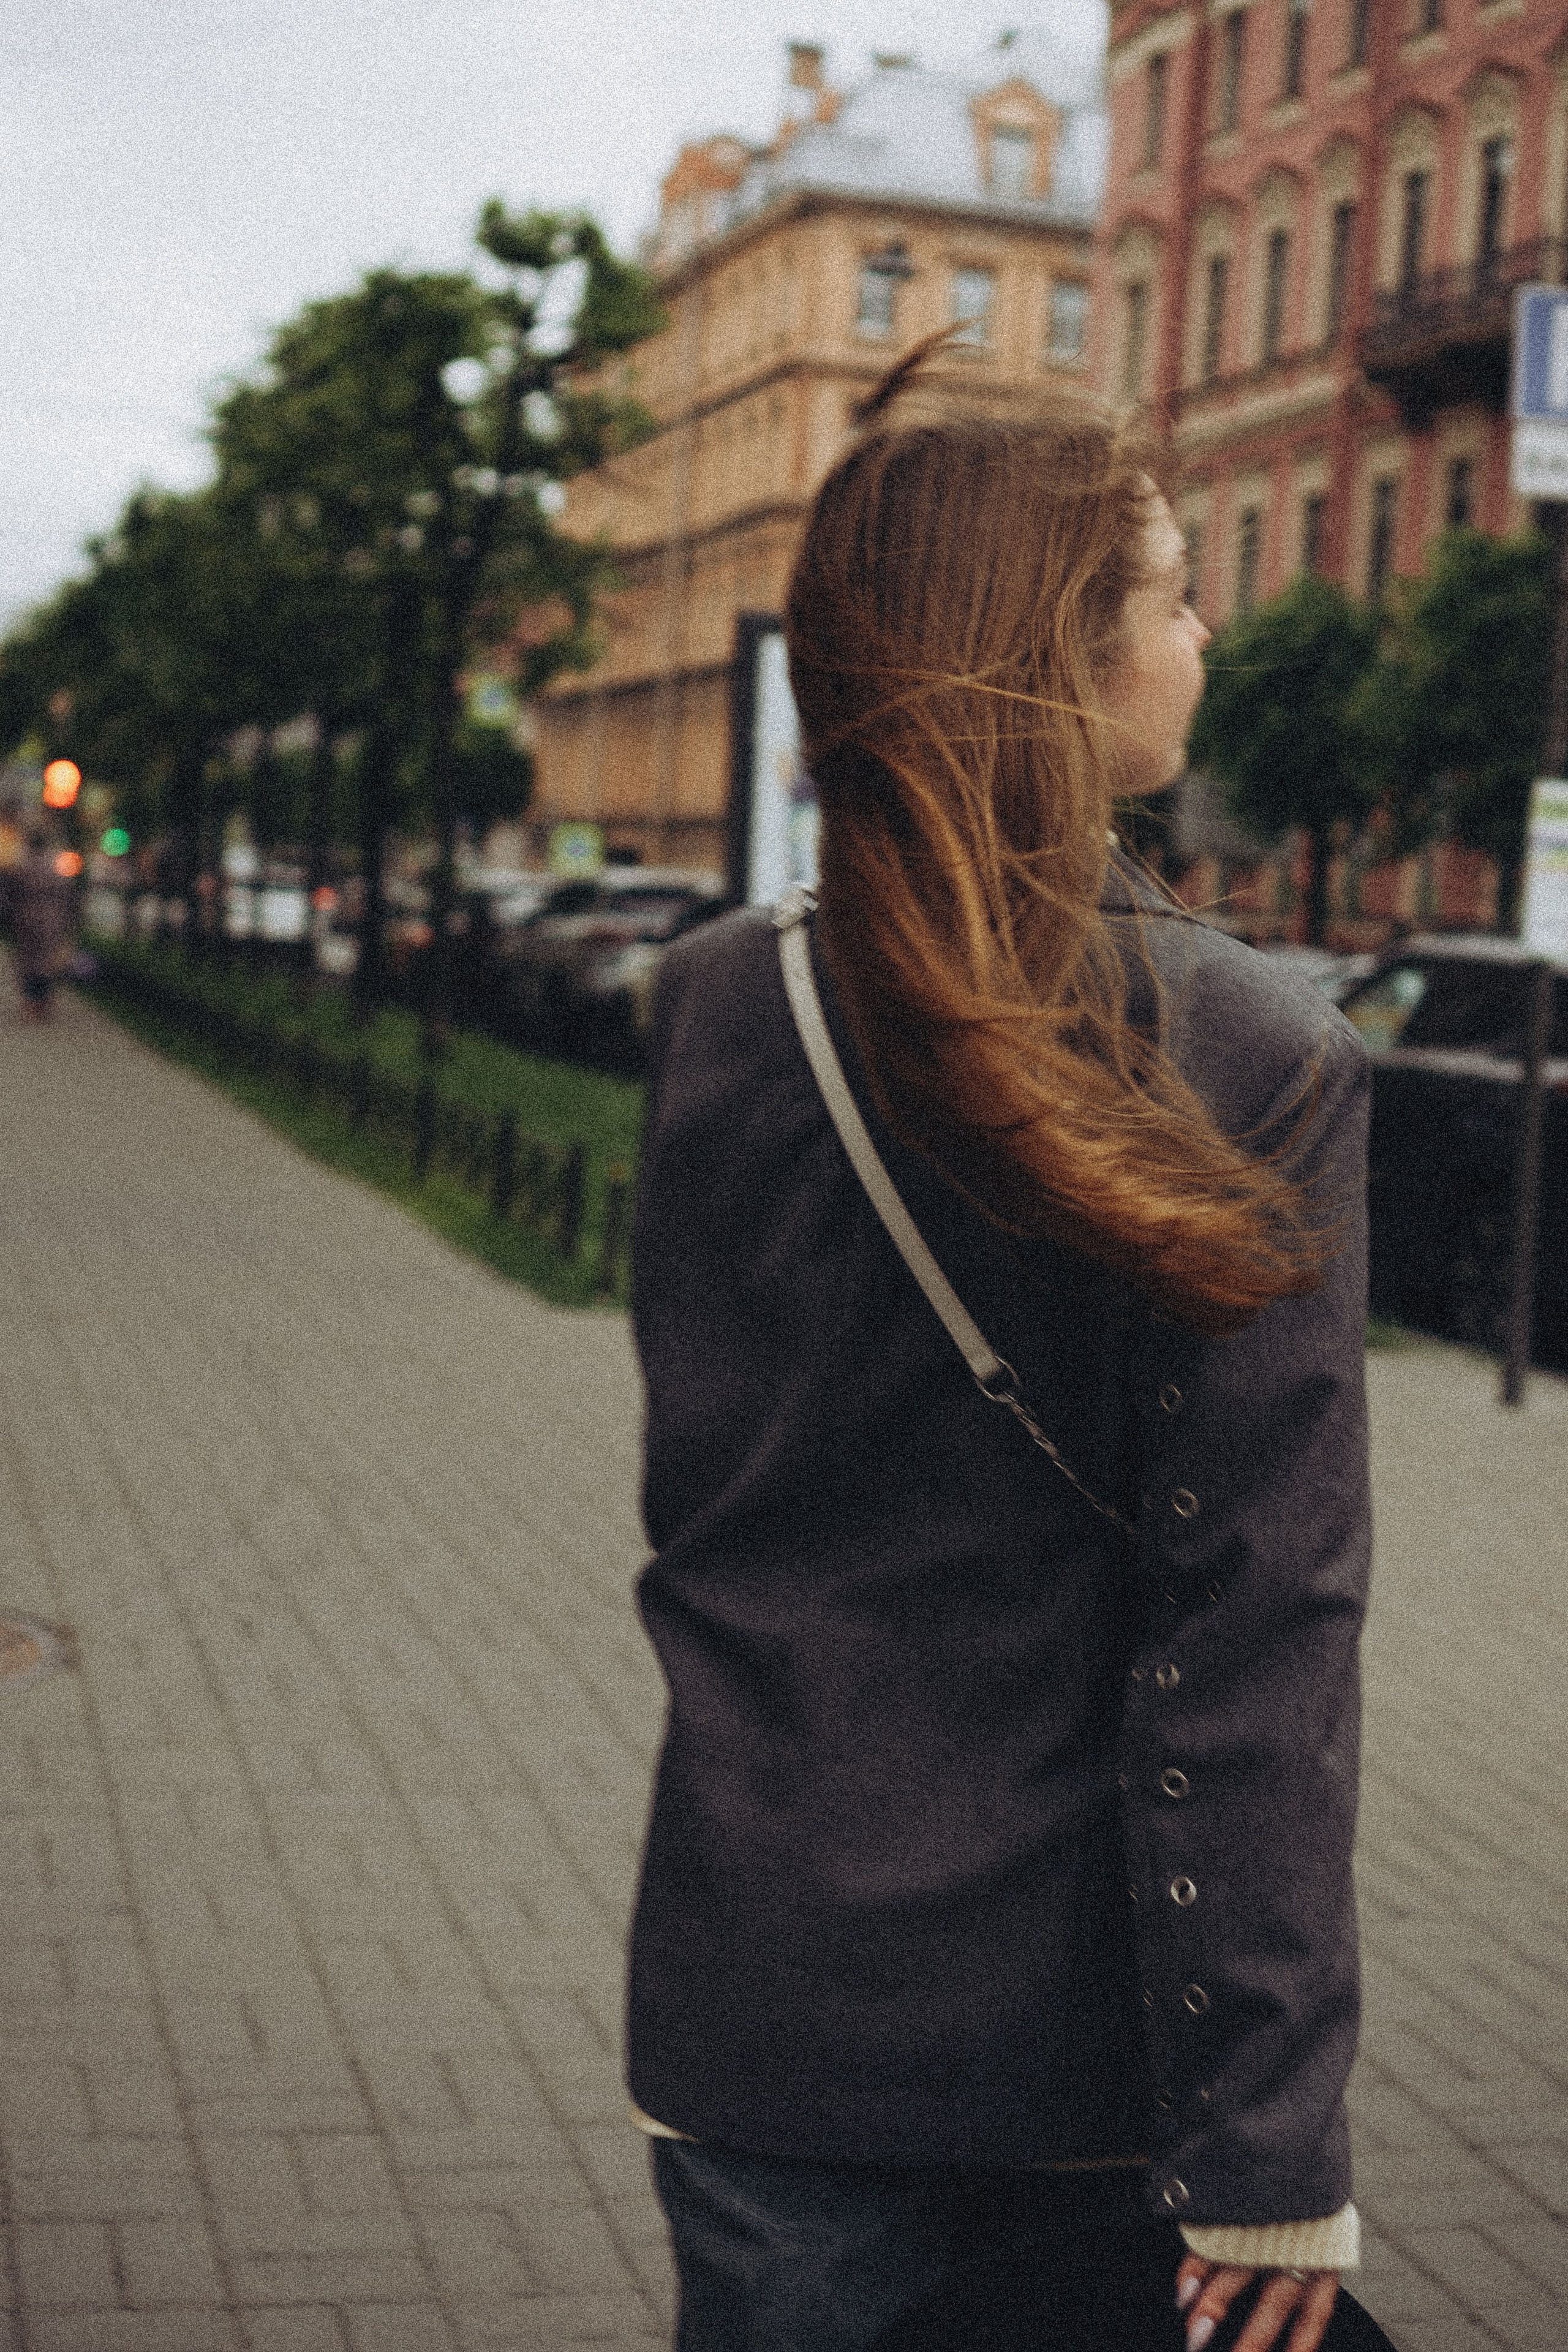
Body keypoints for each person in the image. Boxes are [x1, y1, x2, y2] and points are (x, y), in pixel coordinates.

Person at [627, 366, 1379, 2352]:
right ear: (1058, 654)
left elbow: (713, 1518)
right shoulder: (1244, 1045)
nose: (1203, 632)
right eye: (1168, 590)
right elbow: (1255, 1629)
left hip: (753, 1999)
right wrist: (1274, 2142)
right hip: (1082, 2053)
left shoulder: (718, 1001)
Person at [6, 824, 75, 1022]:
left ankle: (31, 1002)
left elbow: (10, 892)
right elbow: (68, 893)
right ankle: (43, 1001)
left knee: (27, 959)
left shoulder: (21, 865)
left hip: (26, 916)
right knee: (48, 960)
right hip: (53, 917)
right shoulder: (58, 866)